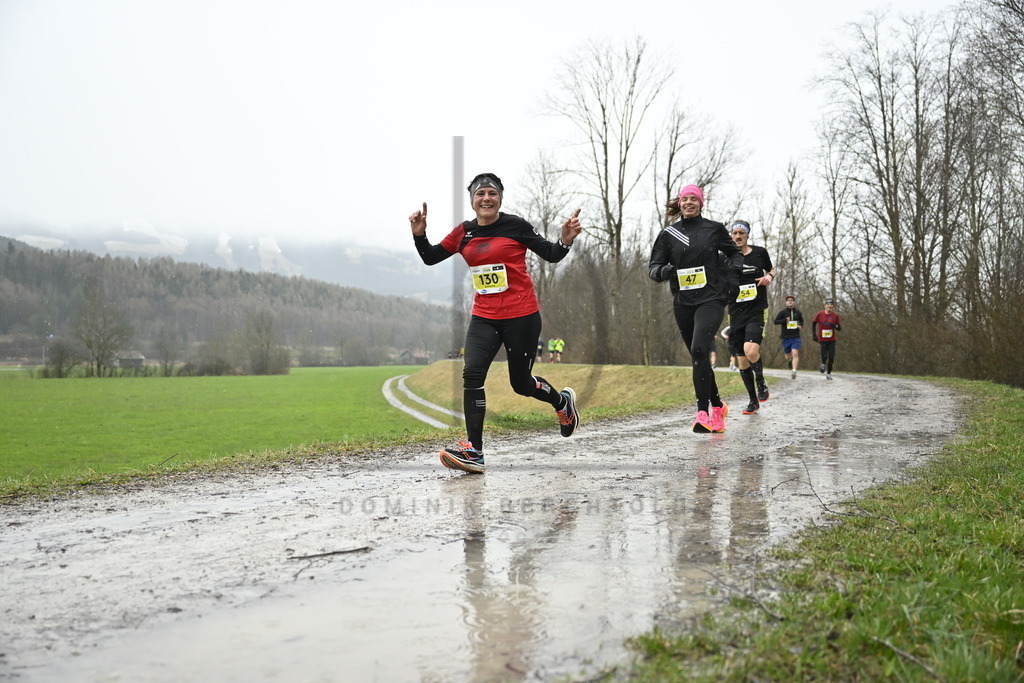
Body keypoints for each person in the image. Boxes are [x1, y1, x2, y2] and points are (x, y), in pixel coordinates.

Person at [410, 172, 583, 473]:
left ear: (500, 198)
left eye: (492, 193)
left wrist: (564, 241)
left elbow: (551, 254)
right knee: (472, 373)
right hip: (484, 317)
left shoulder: (515, 226)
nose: (486, 198)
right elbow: (430, 257)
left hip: (522, 316)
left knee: (521, 384)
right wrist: (419, 235)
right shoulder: (463, 233)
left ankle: (562, 403)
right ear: (473, 201)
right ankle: (474, 451)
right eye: (480, 194)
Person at [648, 184, 742, 433]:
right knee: (698, 355)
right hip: (684, 302)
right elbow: (653, 268)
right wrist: (665, 271)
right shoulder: (669, 234)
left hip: (711, 298)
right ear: (679, 204)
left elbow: (735, 255)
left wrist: (732, 279)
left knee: (701, 347)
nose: (689, 202)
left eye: (694, 198)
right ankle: (718, 405)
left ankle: (704, 413)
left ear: (701, 203)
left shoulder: (714, 229)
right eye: (684, 199)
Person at [725, 220, 775, 415]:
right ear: (730, 236)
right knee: (742, 360)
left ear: (747, 235)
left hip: (756, 309)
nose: (737, 237)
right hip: (735, 312)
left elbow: (771, 270)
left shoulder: (759, 253)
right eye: (734, 233)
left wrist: (769, 277)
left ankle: (761, 380)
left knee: (751, 351)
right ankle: (753, 401)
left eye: (741, 233)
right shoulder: (725, 257)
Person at [773, 295, 804, 379]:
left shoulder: (798, 312)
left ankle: (794, 371)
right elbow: (775, 321)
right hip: (785, 336)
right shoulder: (783, 312)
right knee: (787, 355)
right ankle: (790, 360)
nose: (790, 301)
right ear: (786, 302)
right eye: (788, 300)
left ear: (794, 302)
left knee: (795, 352)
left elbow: (801, 320)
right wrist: (784, 321)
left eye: (791, 300)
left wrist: (800, 325)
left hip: (795, 336)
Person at [812, 298, 842, 380]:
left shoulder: (835, 316)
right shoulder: (819, 314)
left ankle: (828, 374)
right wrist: (814, 335)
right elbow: (814, 324)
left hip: (832, 339)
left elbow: (839, 328)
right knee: (824, 355)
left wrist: (834, 326)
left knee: (831, 357)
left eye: (831, 305)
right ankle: (822, 363)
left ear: (833, 307)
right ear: (825, 306)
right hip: (822, 339)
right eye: (828, 304)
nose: (830, 306)